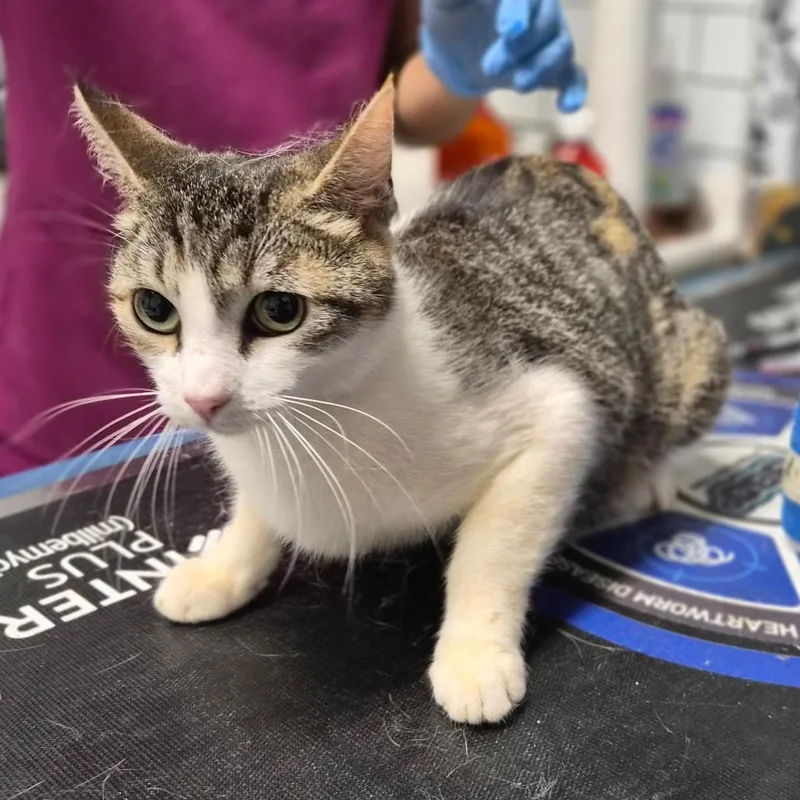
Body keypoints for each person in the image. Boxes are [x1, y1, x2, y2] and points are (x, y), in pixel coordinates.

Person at [0, 0, 585, 477]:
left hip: (312, 363)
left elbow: (410, 109)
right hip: (64, 354)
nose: (205, 393)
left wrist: (460, 63)